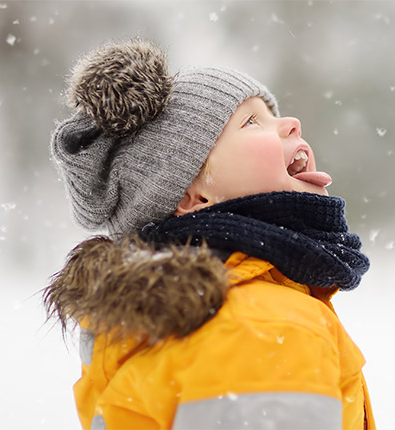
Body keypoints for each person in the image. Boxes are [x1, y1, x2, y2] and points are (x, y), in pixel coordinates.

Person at [41, 39, 373, 430]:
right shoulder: (262, 325)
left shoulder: (200, 318)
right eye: (252, 122)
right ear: (193, 197)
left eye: (271, 114)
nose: (291, 123)